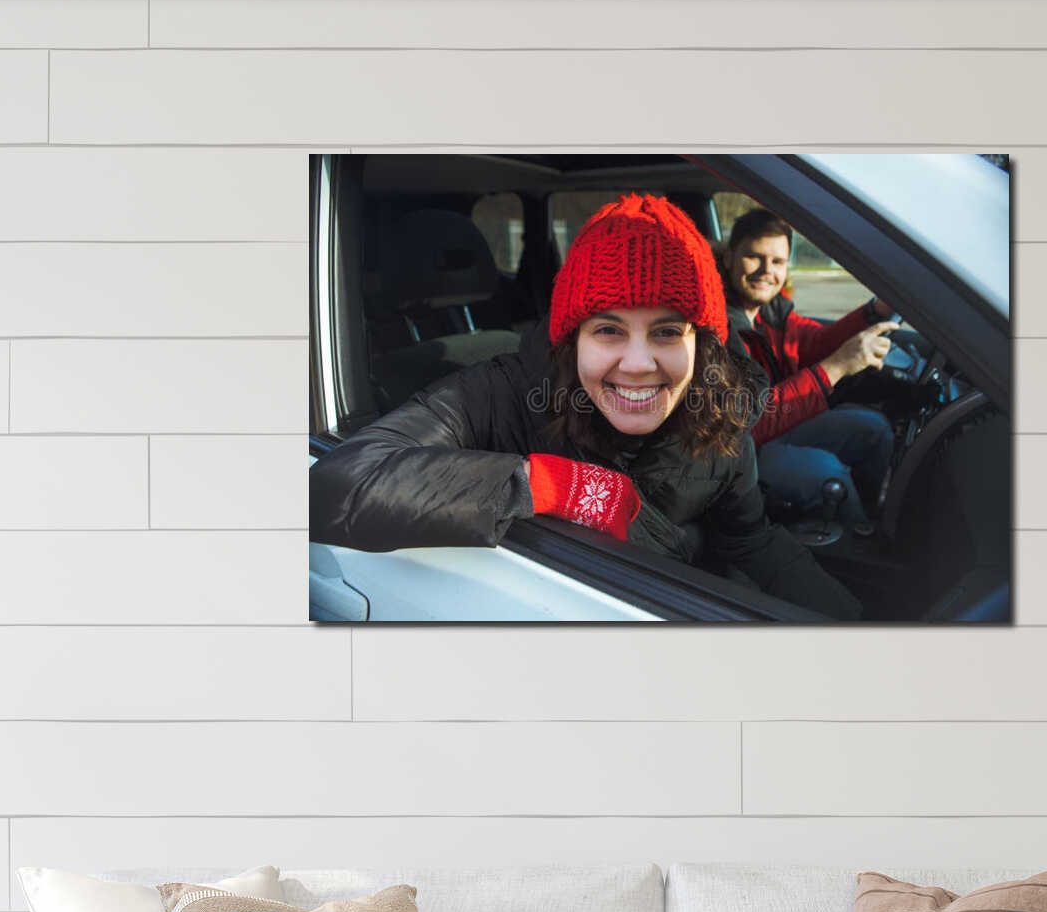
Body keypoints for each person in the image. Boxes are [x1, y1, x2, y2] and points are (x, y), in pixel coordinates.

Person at [310, 193, 862, 620]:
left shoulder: (719, 415)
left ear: (704, 342)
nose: (639, 363)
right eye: (608, 330)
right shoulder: (503, 394)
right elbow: (336, 485)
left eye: (668, 330)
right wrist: (559, 488)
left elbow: (752, 537)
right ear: (572, 339)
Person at [720, 207, 900, 535]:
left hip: (775, 424)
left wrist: (874, 311)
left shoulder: (769, 309)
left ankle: (872, 520)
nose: (765, 271)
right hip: (739, 453)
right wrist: (836, 367)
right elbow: (747, 424)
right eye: (753, 257)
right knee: (829, 473)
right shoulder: (718, 325)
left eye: (777, 262)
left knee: (874, 431)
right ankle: (860, 545)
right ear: (730, 257)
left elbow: (813, 342)